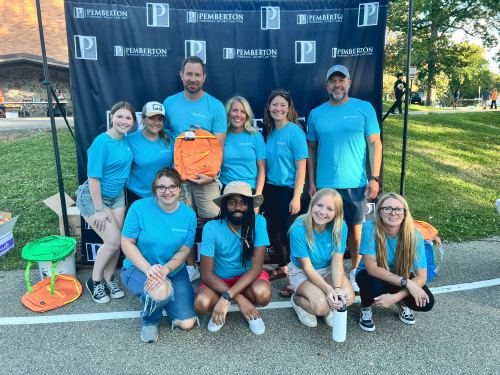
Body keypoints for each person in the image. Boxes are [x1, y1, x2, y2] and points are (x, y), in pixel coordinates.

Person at [307, 65, 382, 294]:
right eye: (333, 81)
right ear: (326, 85)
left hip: (356, 184)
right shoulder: (316, 113)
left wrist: (375, 177)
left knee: (355, 231)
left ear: (349, 83)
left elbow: (375, 143)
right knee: (322, 230)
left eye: (342, 80)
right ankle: (324, 272)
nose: (337, 85)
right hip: (325, 186)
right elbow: (311, 149)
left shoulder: (364, 108)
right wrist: (311, 182)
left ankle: (355, 271)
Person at [163, 56, 227, 282]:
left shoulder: (215, 106)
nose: (193, 79)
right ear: (181, 75)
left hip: (205, 178)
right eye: (188, 74)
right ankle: (191, 267)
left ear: (204, 77)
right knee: (184, 223)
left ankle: (214, 265)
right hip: (178, 178)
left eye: (197, 74)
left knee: (212, 222)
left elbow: (218, 146)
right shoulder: (169, 103)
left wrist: (210, 176)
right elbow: (166, 138)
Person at [121, 167, 198, 342]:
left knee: (186, 323)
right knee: (160, 289)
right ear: (155, 189)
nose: (167, 191)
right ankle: (150, 320)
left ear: (180, 188)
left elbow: (185, 250)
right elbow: (127, 243)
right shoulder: (139, 207)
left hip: (172, 270)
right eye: (161, 187)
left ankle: (160, 297)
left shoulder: (189, 215)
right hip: (138, 268)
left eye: (172, 186)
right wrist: (149, 269)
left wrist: (166, 269)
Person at [193, 181, 271, 334]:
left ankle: (232, 301)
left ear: (249, 205)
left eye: (243, 202)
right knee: (201, 305)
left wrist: (228, 296)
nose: (238, 207)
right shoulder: (211, 227)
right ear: (224, 206)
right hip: (219, 280)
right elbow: (206, 273)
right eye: (232, 202)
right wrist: (238, 299)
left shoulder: (259, 222)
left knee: (263, 294)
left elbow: (256, 268)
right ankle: (236, 302)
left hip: (248, 278)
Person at [76, 101, 135, 303]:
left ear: (133, 122)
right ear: (112, 117)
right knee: (113, 241)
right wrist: (99, 209)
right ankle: (95, 282)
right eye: (120, 116)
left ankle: (109, 279)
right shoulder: (101, 142)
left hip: (117, 197)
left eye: (128, 118)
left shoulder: (126, 141)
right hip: (93, 198)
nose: (123, 121)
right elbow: (93, 178)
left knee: (119, 242)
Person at [355, 193, 434, 332]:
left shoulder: (414, 235)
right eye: (388, 209)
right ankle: (365, 307)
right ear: (380, 212)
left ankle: (402, 303)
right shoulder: (370, 228)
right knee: (375, 288)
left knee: (426, 303)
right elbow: (372, 268)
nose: (393, 213)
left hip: (399, 275)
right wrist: (408, 284)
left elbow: (421, 276)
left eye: (398, 209)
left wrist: (396, 297)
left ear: (404, 214)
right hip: (372, 275)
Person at [263, 89, 308, 298]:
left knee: (291, 236)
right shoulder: (270, 131)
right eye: (274, 105)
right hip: (270, 190)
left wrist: (297, 196)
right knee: (273, 233)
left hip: (289, 190)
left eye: (282, 105)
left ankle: (297, 277)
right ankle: (283, 268)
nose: (278, 109)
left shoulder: (295, 132)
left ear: (288, 108)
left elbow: (301, 168)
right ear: (269, 108)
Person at [288, 188, 354, 328]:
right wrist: (328, 289)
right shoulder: (298, 229)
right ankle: (297, 301)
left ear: (336, 213)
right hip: (303, 272)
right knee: (322, 307)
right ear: (312, 204)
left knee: (348, 296)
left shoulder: (340, 226)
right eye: (319, 205)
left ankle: (329, 301)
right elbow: (307, 268)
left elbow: (337, 262)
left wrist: (336, 288)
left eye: (330, 208)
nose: (322, 212)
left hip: (328, 269)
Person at [126, 101, 173, 207]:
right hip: (138, 195)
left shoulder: (170, 136)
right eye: (151, 118)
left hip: (165, 194)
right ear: (143, 118)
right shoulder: (130, 140)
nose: (156, 122)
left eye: (160, 119)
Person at [220, 95, 266, 204]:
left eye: (242, 112)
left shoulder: (255, 135)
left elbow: (262, 169)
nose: (238, 115)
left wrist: (257, 199)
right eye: (235, 110)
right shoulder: (221, 135)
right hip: (227, 189)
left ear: (247, 115)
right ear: (228, 113)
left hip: (249, 190)